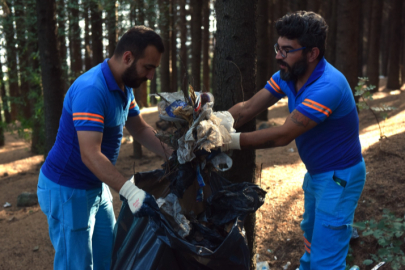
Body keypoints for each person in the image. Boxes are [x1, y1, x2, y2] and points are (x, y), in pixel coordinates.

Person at [223, 11, 366, 270]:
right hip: (317, 175)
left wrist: (228, 141)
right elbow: (247, 108)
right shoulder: (289, 75)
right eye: (278, 47)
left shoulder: (327, 86)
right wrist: (213, 123)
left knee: (327, 261)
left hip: (339, 178)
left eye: (287, 50)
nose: (278, 55)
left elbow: (283, 134)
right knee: (312, 242)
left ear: (312, 53)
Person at [37, 26, 172, 270]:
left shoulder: (124, 86)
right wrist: (130, 192)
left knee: (108, 258)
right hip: (67, 189)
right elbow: (89, 154)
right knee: (76, 265)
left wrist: (173, 154)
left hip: (97, 186)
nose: (151, 76)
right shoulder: (92, 90)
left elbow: (140, 129)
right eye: (148, 67)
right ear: (128, 57)